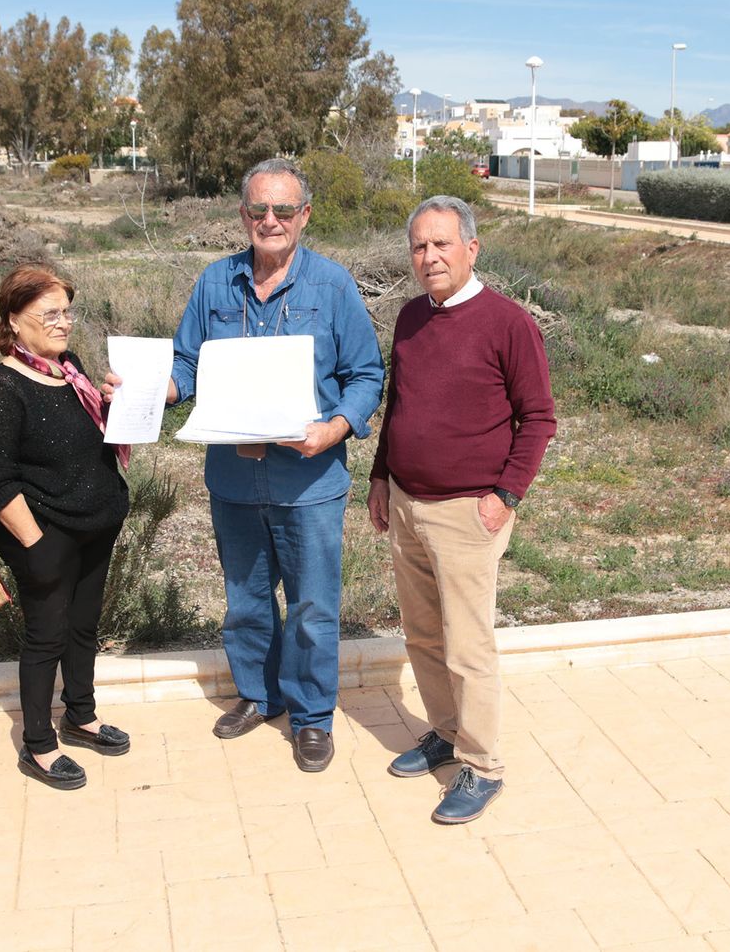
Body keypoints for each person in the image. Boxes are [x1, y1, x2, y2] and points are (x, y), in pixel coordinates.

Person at [103, 158, 384, 772]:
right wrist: (148, 388)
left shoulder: (333, 286)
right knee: (247, 599)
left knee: (312, 604)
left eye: (284, 210)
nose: (270, 220)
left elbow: (367, 375)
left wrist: (334, 427)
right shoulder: (214, 283)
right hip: (232, 478)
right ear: (242, 215)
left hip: (308, 479)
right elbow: (185, 365)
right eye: (259, 209)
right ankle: (260, 696)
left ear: (304, 216)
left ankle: (312, 716)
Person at [367, 195, 556, 824]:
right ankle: (445, 734)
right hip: (406, 502)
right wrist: (379, 477)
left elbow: (539, 418)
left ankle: (482, 764)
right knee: (423, 634)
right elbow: (399, 405)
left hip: (469, 512)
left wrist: (506, 496)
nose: (430, 257)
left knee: (468, 646)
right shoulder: (410, 318)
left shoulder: (507, 322)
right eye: (420, 246)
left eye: (442, 244)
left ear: (472, 248)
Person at [0, 265, 131, 793]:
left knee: (84, 625)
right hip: (44, 533)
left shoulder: (70, 370)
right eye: (49, 314)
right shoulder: (4, 388)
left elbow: (86, 438)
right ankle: (38, 744)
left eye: (66, 311)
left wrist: (112, 407)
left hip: (94, 524)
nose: (63, 323)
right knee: (46, 636)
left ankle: (79, 716)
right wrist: (35, 544)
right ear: (14, 321)